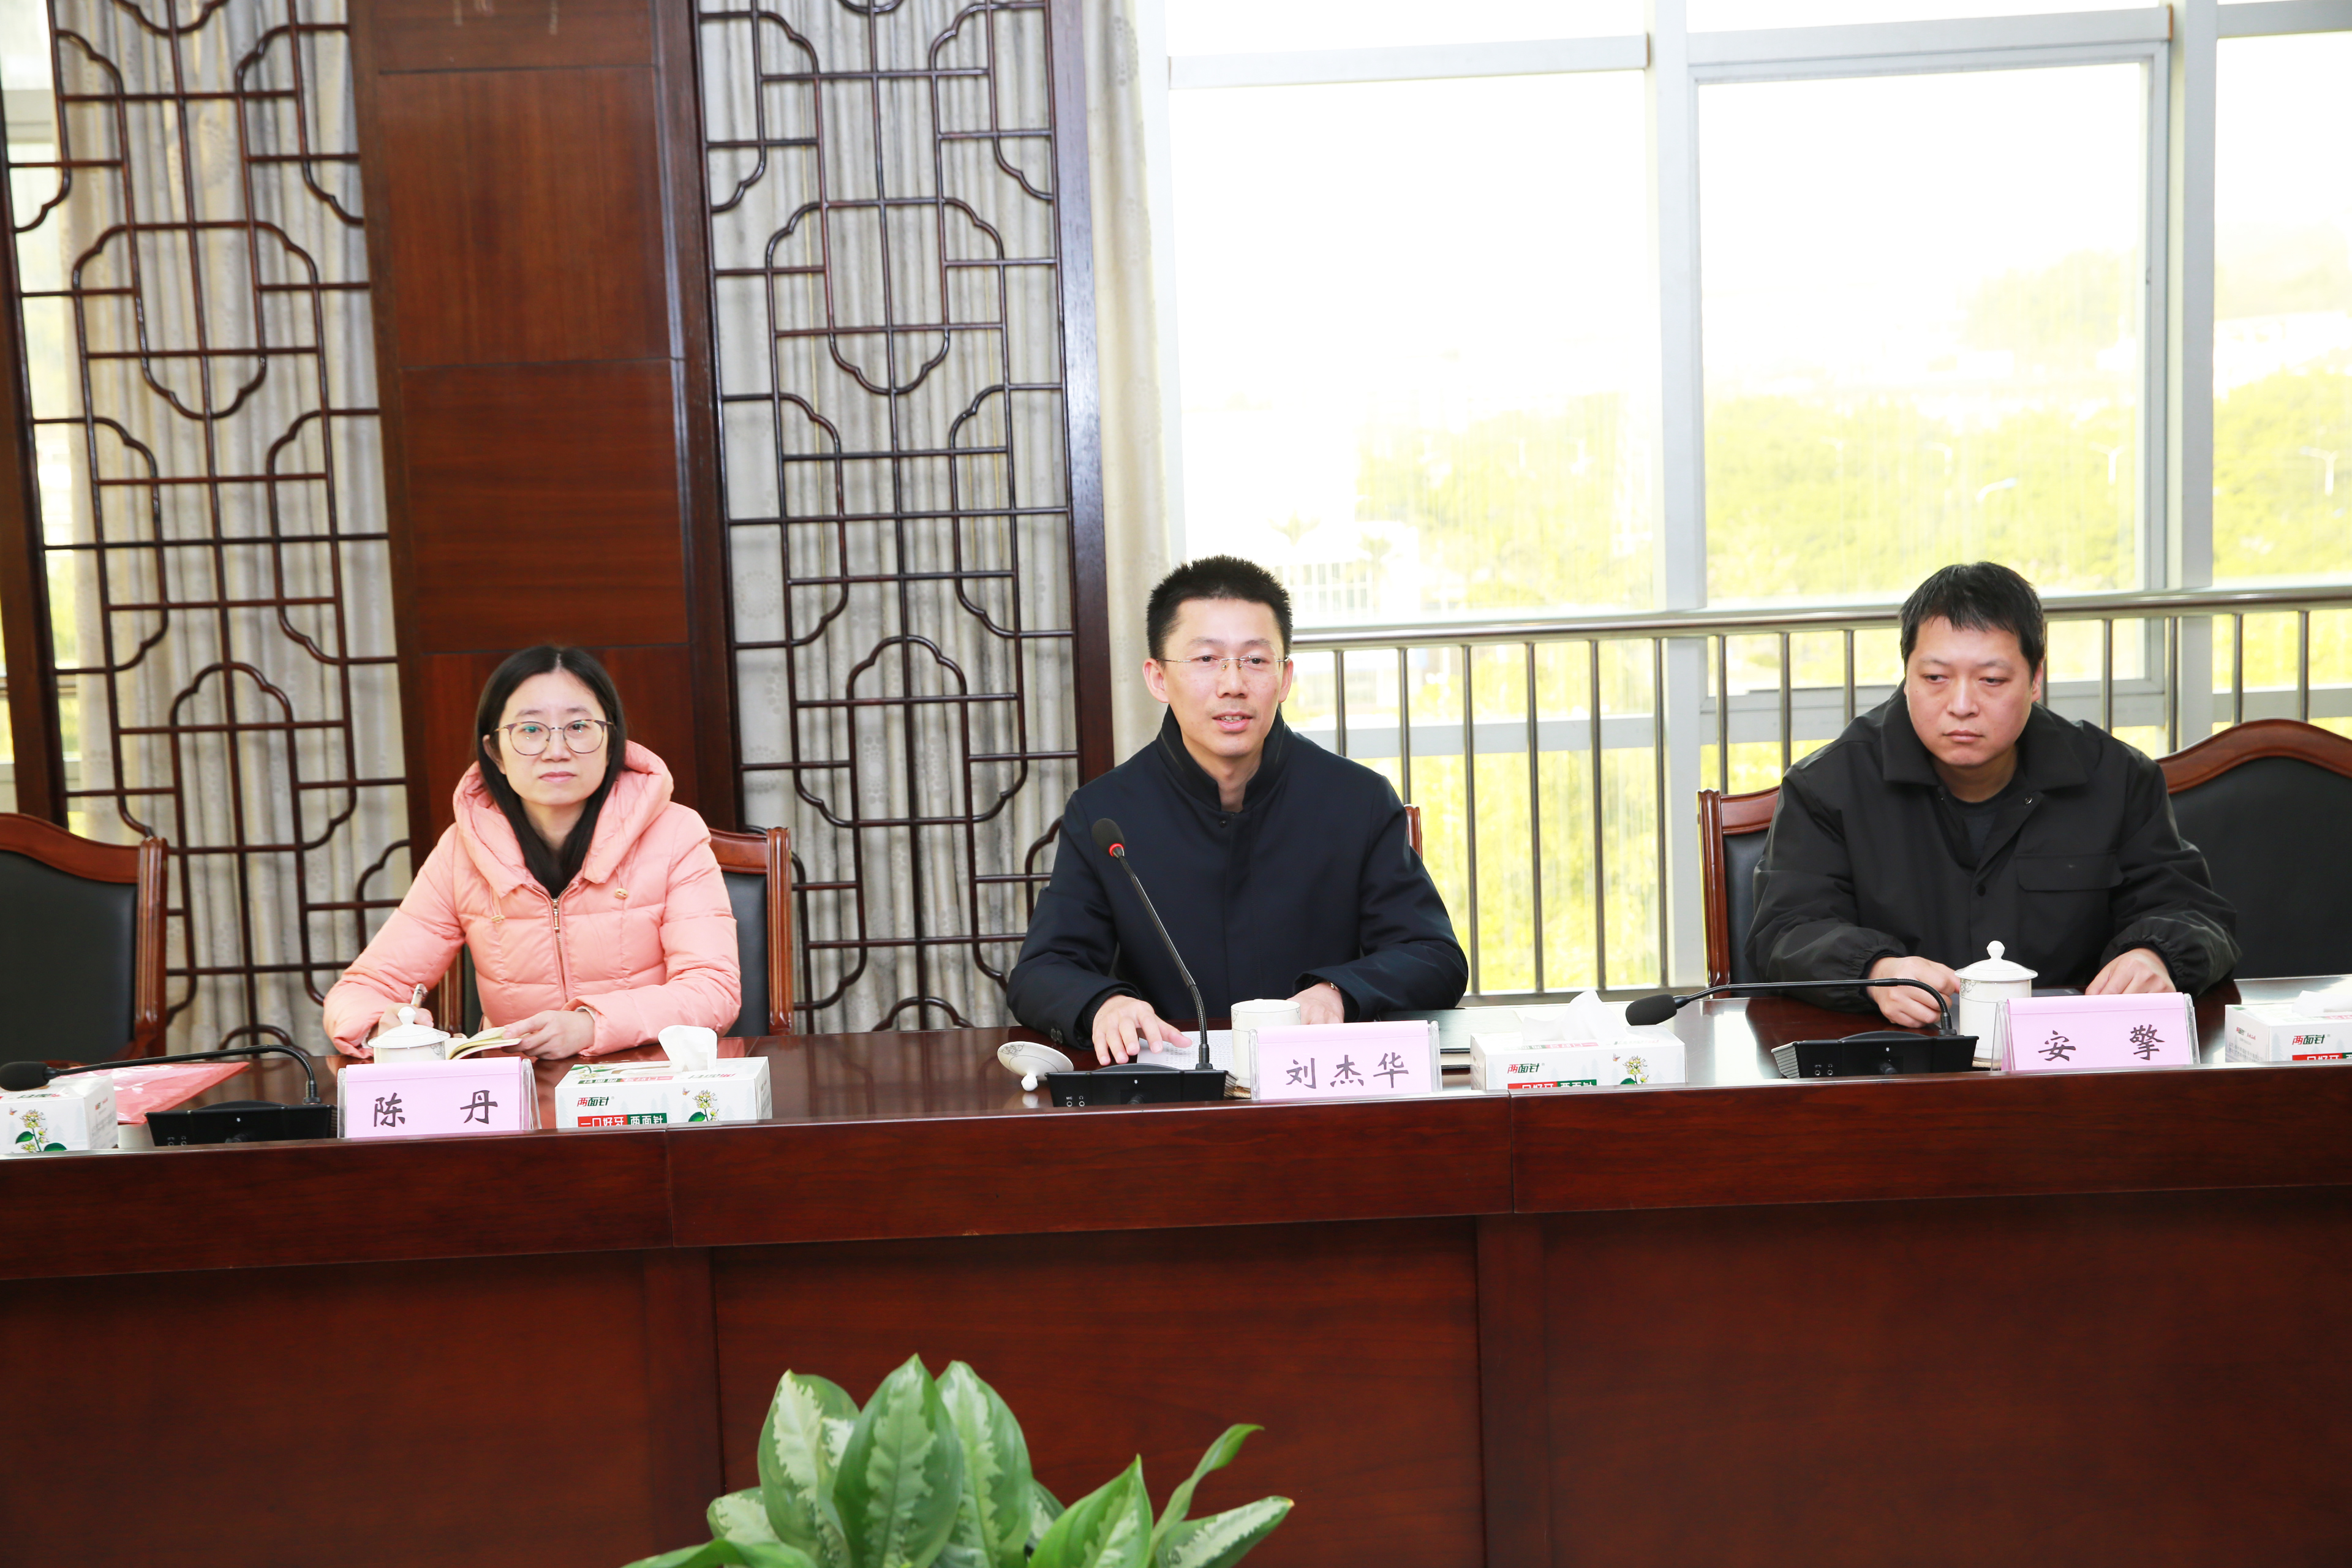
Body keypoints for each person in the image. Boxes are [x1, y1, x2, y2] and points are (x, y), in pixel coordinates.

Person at [1007, 556, 1467, 1061]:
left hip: (1321, 1084)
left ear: (1285, 677)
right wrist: (1104, 1004)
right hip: (1174, 1089)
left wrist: (1337, 992)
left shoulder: (1357, 800)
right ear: (1158, 678)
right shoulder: (1105, 815)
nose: (1232, 684)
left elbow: (1434, 957)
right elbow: (1041, 972)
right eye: (1206, 659)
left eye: (1255, 660)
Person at [1747, 562, 2238, 1027]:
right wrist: (1876, 971)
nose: (1962, 705)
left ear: (2035, 679)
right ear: (1907, 674)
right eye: (1935, 678)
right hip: (1899, 1055)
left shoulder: (2116, 778)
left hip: (2071, 1060)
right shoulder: (1829, 785)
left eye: (1992, 680)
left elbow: (2193, 912)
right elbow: (1786, 931)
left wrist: (2155, 955)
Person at [323, 646, 741, 1060]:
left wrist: (590, 1026)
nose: (556, 749)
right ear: (495, 753)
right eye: (530, 730)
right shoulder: (462, 850)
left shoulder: (674, 834)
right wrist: (379, 1024)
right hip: (518, 1090)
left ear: (611, 741)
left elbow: (712, 990)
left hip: (644, 1080)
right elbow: (361, 990)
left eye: (579, 726)